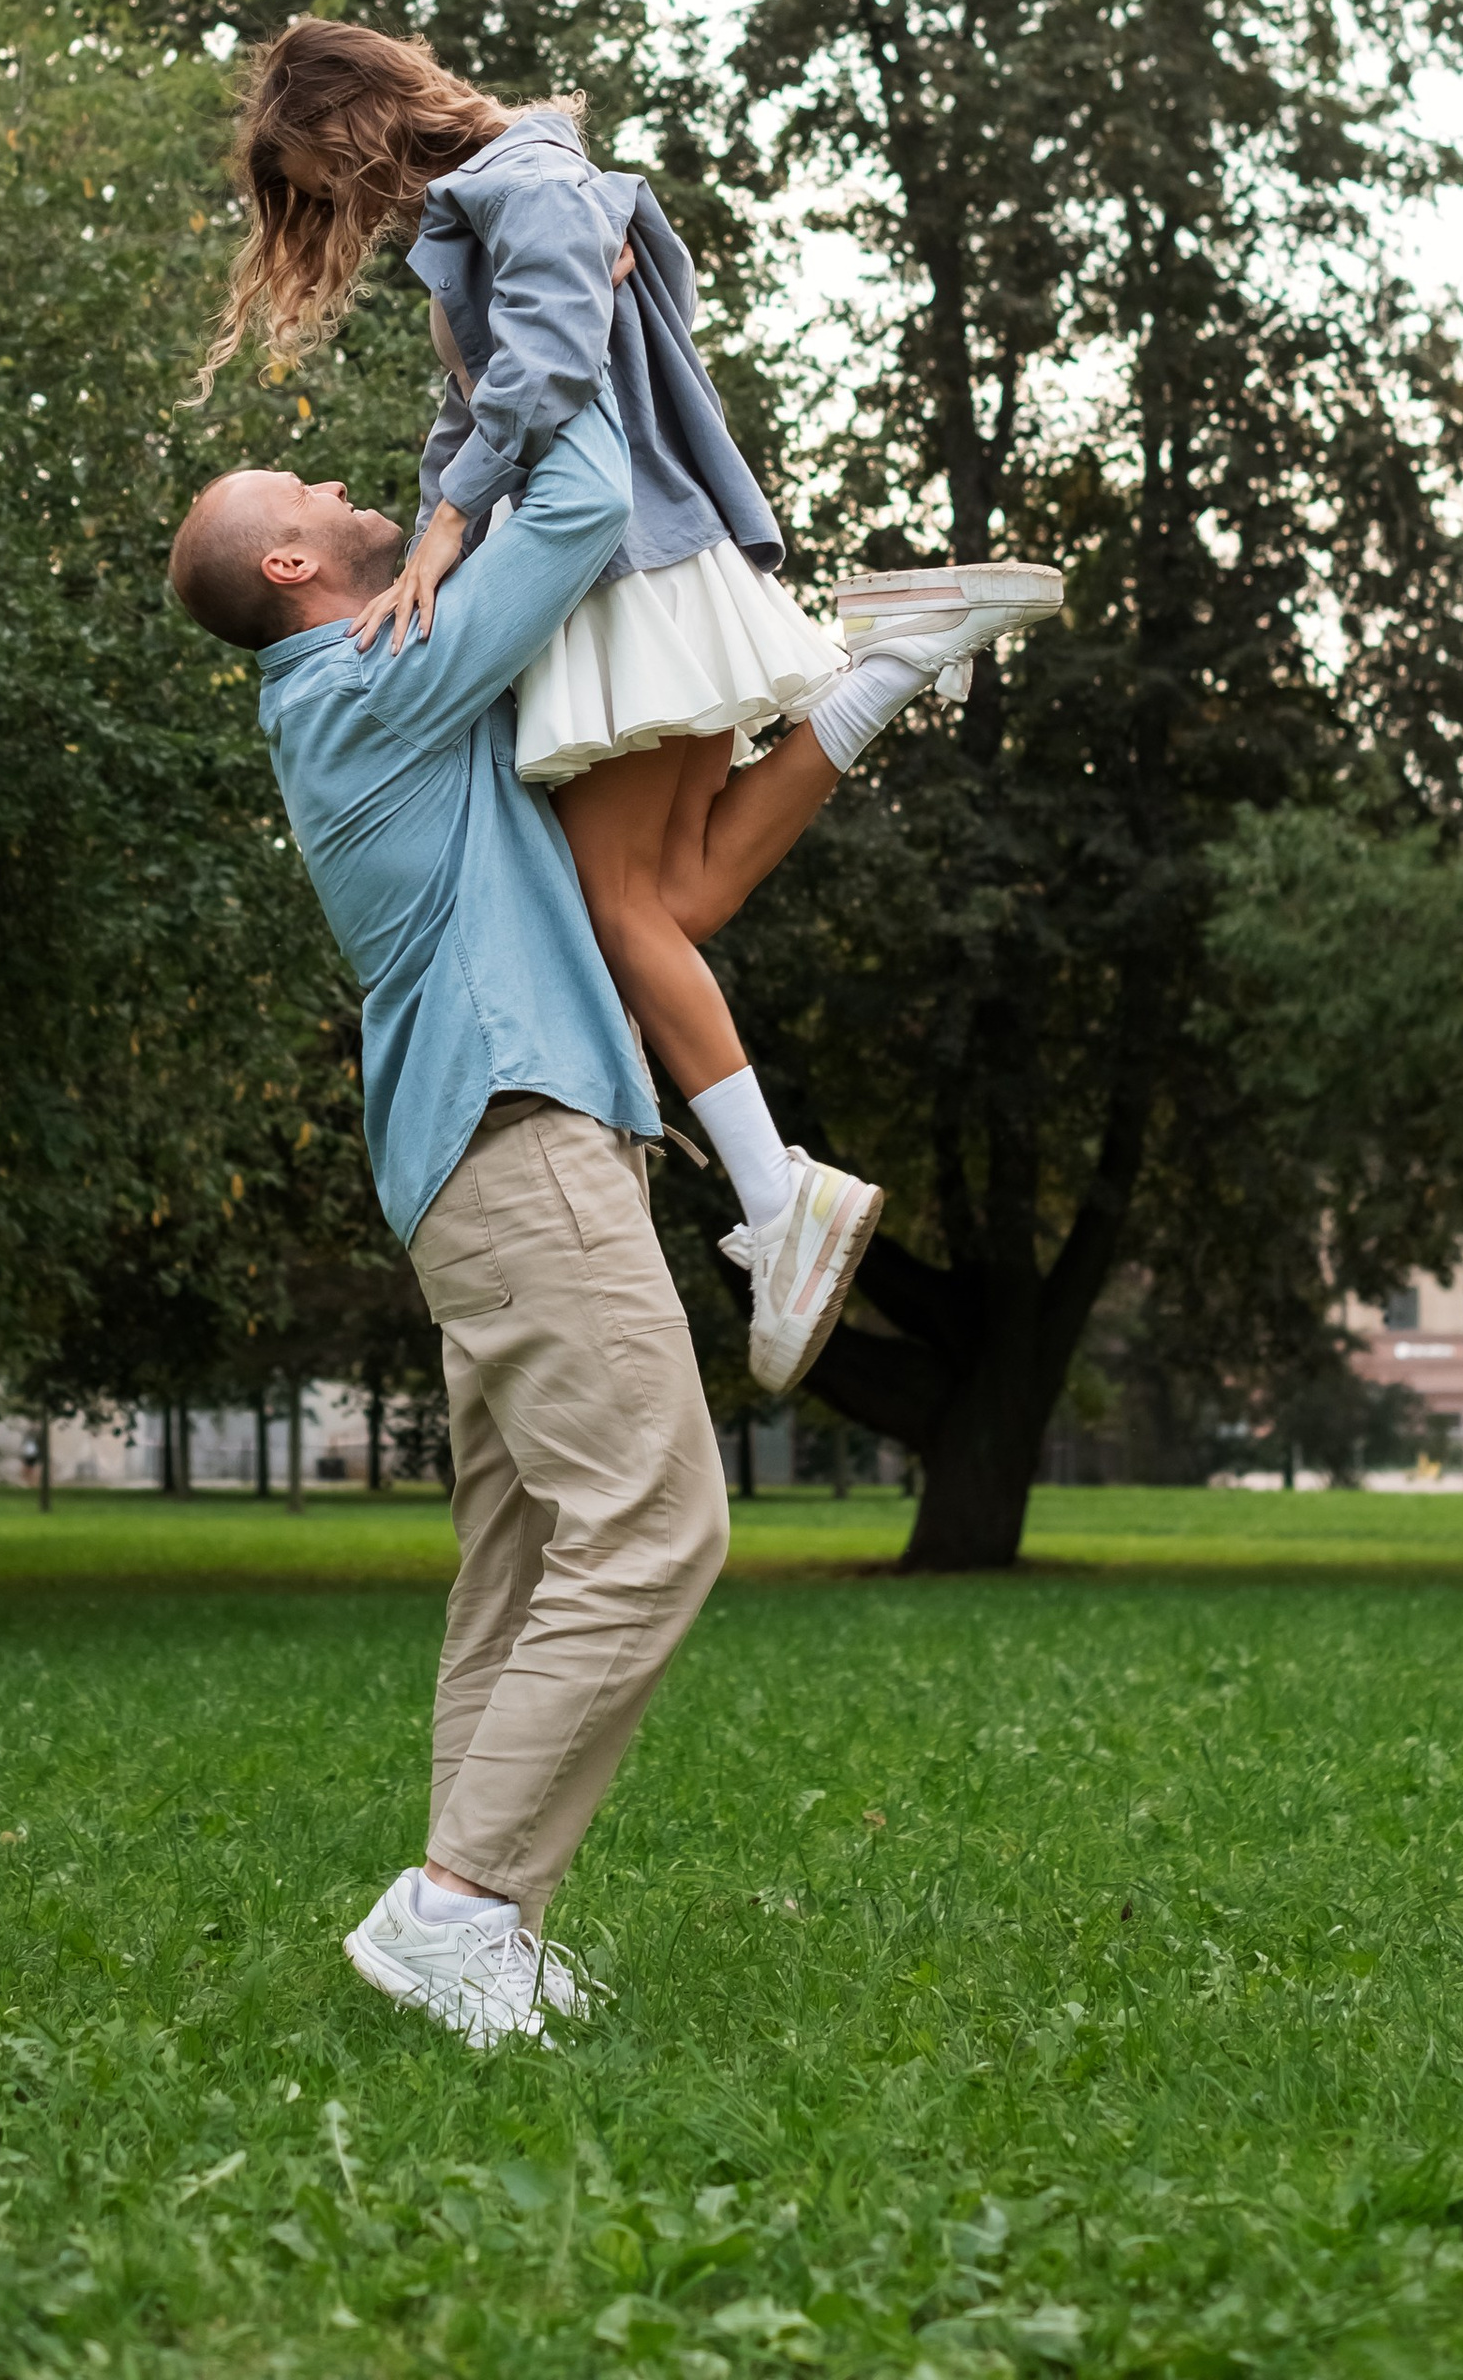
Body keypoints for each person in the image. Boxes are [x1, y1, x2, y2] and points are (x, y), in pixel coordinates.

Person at [166, 404, 1012, 2047]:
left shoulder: (380, 698)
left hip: (505, 1154)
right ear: (290, 562)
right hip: (515, 1140)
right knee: (655, 1524)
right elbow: (572, 512)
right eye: (316, 496)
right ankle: (457, 1907)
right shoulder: (362, 682)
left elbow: (658, 869)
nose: (351, 493)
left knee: (529, 1559)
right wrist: (543, 330)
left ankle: (480, 1930)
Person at [196, 16, 1057, 1391]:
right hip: (670, 554)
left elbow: (551, 383)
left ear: (356, 125)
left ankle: (780, 1206)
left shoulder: (516, 186)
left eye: (323, 174)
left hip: (619, 577)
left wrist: (453, 526)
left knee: (620, 916)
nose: (339, 212)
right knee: (681, 903)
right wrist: (440, 512)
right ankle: (892, 660)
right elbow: (509, 394)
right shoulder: (525, 189)